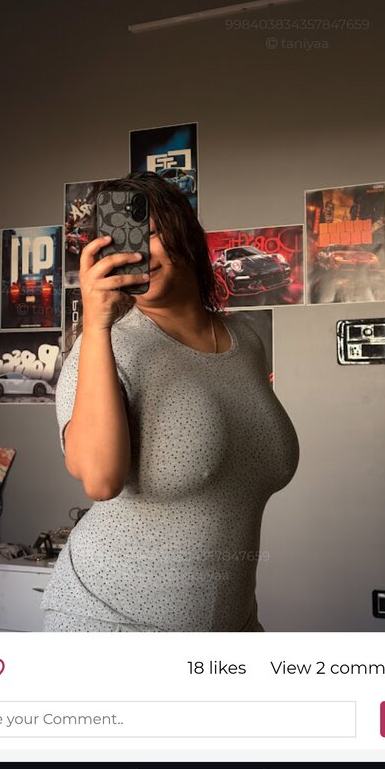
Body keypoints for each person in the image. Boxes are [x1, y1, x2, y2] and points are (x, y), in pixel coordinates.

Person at [42, 171, 299, 632]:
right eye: (120, 241)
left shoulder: (246, 340)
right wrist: (97, 324)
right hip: (110, 623)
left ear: (186, 234)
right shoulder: (107, 348)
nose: (136, 252)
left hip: (234, 627)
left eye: (153, 233)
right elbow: (99, 480)